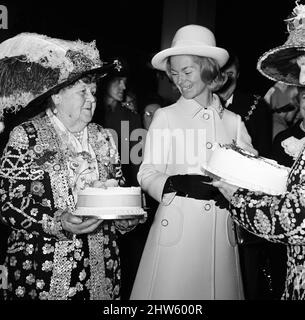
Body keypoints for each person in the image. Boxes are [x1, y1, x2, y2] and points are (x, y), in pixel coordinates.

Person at [0, 33, 141, 300]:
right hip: (42, 273)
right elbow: (8, 203)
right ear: (57, 97)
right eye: (82, 92)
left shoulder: (103, 137)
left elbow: (116, 192)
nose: (91, 99)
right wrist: (59, 221)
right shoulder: (26, 136)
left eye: (94, 92)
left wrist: (127, 218)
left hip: (102, 272)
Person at [130, 24, 257, 300]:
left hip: (220, 239)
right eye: (174, 74)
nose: (180, 81)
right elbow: (147, 172)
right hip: (177, 237)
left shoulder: (234, 122)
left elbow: (252, 174)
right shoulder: (166, 117)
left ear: (209, 69)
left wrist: (236, 194)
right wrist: (175, 183)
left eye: (187, 72)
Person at [213, 2, 305, 300]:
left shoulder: (251, 106)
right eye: (300, 67)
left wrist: (237, 196)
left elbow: (295, 220)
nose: (302, 80)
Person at [92, 69, 143, 187]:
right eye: (118, 81)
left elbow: (136, 160)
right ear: (105, 82)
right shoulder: (91, 115)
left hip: (124, 184)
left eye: (124, 82)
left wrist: (138, 188)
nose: (123, 87)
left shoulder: (131, 117)